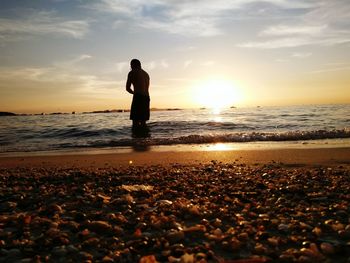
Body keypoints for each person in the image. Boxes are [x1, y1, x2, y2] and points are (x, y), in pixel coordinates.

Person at [126, 59, 150, 128]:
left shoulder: (132, 72)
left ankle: (135, 138)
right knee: (143, 122)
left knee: (135, 121)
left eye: (131, 65)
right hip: (146, 98)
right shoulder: (146, 74)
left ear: (133, 65)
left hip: (138, 97)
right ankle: (144, 137)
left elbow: (127, 88)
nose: (130, 66)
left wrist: (134, 93)